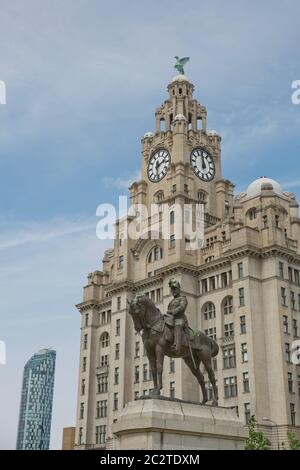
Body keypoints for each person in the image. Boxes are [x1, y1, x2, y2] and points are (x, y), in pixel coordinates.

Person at [166, 279, 188, 354]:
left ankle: (177, 346)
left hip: (180, 318)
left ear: (179, 289)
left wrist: (173, 311)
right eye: (172, 289)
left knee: (177, 326)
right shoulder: (171, 301)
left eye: (175, 289)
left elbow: (182, 307)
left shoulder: (183, 298)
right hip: (170, 318)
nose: (173, 291)